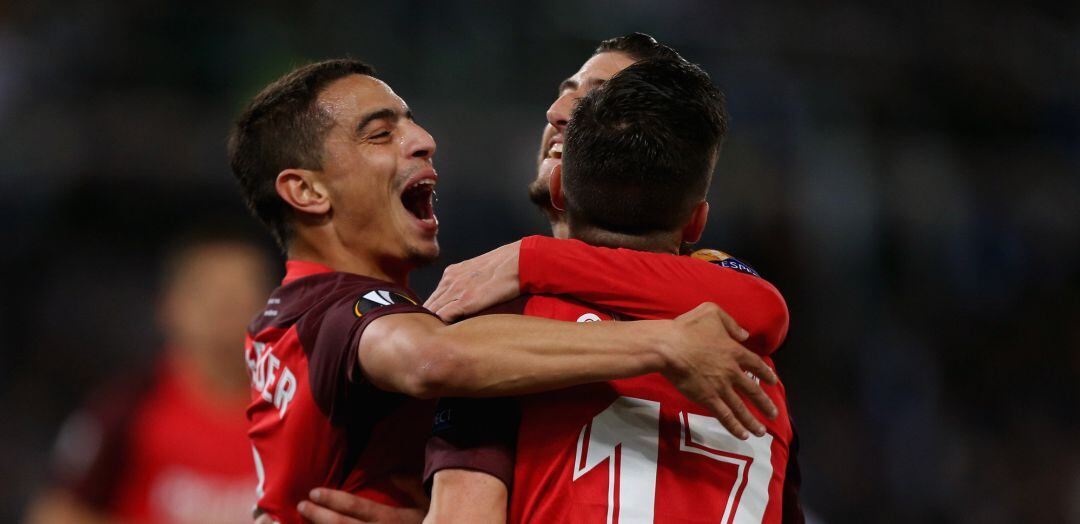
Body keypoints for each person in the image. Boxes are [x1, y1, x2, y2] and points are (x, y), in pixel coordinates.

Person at [228, 58, 780, 523]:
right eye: (380, 134)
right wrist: (665, 343)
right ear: (305, 190)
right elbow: (434, 358)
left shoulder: (303, 315)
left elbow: (763, 306)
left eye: (410, 122)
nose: (424, 140)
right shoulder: (336, 311)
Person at [24, 228, 274, 524]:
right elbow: (54, 513)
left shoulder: (309, 412)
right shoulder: (125, 408)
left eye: (240, 295)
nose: (224, 312)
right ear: (168, 307)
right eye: (206, 294)